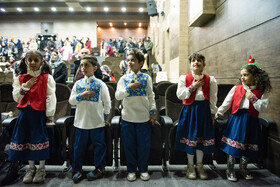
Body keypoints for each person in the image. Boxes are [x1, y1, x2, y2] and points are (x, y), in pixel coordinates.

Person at [215, 56, 271, 182]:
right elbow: (226, 104)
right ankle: (230, 169)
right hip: (236, 120)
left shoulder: (260, 91)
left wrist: (253, 98)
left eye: (246, 75)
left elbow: (264, 108)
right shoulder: (236, 89)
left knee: (247, 146)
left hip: (251, 121)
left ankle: (243, 168)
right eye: (241, 75)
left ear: (255, 76)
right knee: (233, 146)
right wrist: (217, 114)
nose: (242, 78)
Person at [8, 50, 56, 183]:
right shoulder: (20, 79)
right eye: (30, 60)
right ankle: (31, 168)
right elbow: (17, 98)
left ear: (41, 61)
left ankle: (41, 168)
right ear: (25, 61)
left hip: (39, 114)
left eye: (36, 60)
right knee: (26, 140)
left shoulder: (47, 78)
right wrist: (26, 87)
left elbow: (50, 98)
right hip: (24, 115)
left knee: (38, 140)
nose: (33, 62)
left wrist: (49, 116)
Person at [174, 53, 217, 180]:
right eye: (193, 61)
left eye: (199, 60)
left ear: (204, 64)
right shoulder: (184, 78)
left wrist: (213, 113)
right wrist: (193, 86)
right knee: (190, 137)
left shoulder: (211, 79)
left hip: (204, 111)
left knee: (201, 138)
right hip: (189, 110)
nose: (196, 62)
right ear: (190, 65)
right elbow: (180, 95)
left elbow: (213, 98)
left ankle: (200, 165)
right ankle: (190, 165)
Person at [115, 49, 156, 182]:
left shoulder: (146, 78)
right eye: (128, 60)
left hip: (143, 118)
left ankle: (143, 169)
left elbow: (151, 96)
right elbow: (117, 96)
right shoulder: (124, 79)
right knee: (129, 146)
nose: (130, 63)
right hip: (128, 117)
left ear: (141, 63)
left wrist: (153, 113)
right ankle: (131, 170)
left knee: (144, 146)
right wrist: (129, 88)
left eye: (133, 60)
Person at [69, 56, 111, 184]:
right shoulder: (78, 84)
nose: (83, 68)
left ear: (94, 68)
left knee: (99, 146)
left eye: (86, 65)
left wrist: (105, 117)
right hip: (81, 122)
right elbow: (71, 101)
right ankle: (76, 169)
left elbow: (107, 102)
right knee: (78, 148)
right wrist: (82, 95)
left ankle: (99, 169)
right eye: (81, 66)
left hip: (97, 122)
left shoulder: (100, 84)